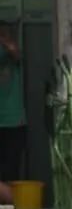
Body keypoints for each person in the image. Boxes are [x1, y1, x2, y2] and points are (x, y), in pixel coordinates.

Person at [0, 22, 26, 184]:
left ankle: (8, 201)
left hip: (13, 122)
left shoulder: (10, 53)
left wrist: (4, 40)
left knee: (10, 171)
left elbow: (16, 53)